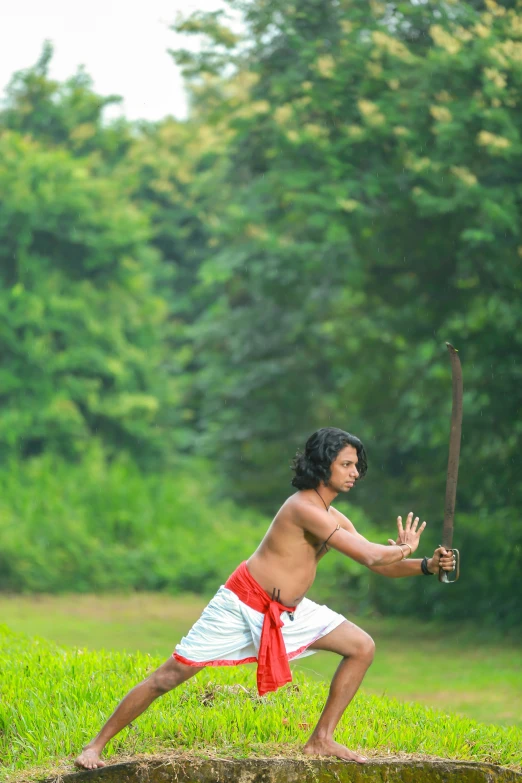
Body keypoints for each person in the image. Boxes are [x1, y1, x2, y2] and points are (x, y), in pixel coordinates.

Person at [75, 427, 455, 770]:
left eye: (357, 465)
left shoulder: (333, 516)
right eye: (347, 464)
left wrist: (427, 565)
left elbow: (379, 564)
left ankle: (320, 740)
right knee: (169, 676)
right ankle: (95, 746)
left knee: (361, 646)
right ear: (324, 465)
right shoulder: (303, 508)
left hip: (289, 612)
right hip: (241, 604)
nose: (356, 472)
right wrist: (404, 550)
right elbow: (373, 555)